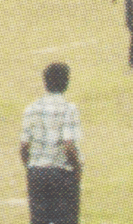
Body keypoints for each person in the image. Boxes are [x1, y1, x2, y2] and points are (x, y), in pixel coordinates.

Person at [20, 63, 82, 224]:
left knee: (39, 220)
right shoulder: (69, 109)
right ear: (66, 83)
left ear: (45, 82)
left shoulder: (31, 109)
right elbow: (69, 146)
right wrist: (77, 169)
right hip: (61, 173)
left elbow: (24, 146)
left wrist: (31, 167)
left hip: (37, 173)